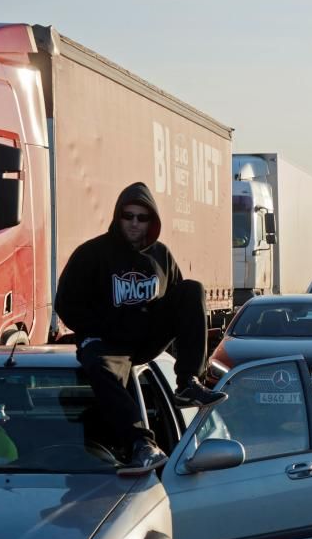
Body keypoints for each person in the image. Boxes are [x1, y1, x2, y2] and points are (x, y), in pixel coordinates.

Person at [55, 182, 225, 473]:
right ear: (117, 217)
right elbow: (66, 304)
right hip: (106, 343)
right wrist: (104, 328)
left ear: (152, 221)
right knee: (101, 368)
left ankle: (188, 384)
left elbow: (179, 302)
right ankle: (140, 445)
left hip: (146, 337)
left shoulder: (162, 256)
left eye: (142, 217)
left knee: (192, 289)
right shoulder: (92, 254)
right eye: (128, 216)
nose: (134, 223)